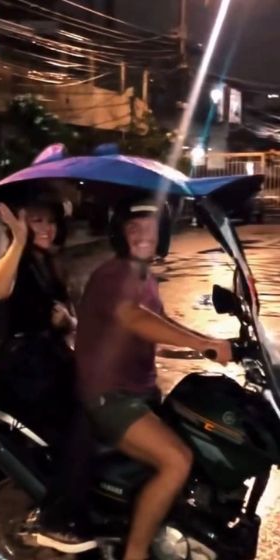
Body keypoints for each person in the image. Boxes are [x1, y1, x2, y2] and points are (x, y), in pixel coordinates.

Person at [74, 197, 232, 560]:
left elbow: (160, 327)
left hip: (139, 391)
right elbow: (132, 318)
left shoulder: (144, 276)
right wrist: (203, 342)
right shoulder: (117, 274)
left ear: (161, 233)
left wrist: (206, 348)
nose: (141, 234)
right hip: (109, 397)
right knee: (177, 460)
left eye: (149, 226)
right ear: (120, 233)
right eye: (132, 227)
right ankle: (136, 552)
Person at [0, 195, 95, 553]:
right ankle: (59, 518)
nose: (45, 228)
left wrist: (69, 323)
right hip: (26, 373)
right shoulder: (18, 260)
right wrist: (17, 240)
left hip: (51, 362)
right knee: (85, 419)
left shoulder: (49, 263)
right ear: (19, 223)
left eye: (49, 221)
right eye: (35, 221)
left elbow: (64, 318)